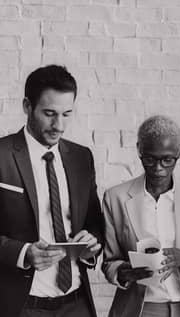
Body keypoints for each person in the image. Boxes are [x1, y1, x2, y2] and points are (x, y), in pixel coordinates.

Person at [0, 65, 104, 317]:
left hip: (77, 304)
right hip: (21, 305)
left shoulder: (81, 158)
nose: (59, 125)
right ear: (27, 106)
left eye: (67, 114)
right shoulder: (1, 156)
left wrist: (92, 245)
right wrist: (22, 253)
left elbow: (94, 222)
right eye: (49, 113)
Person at [102, 115, 180, 317]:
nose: (158, 168)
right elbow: (109, 262)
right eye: (150, 159)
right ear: (139, 150)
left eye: (168, 160)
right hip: (142, 309)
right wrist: (123, 272)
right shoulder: (115, 198)